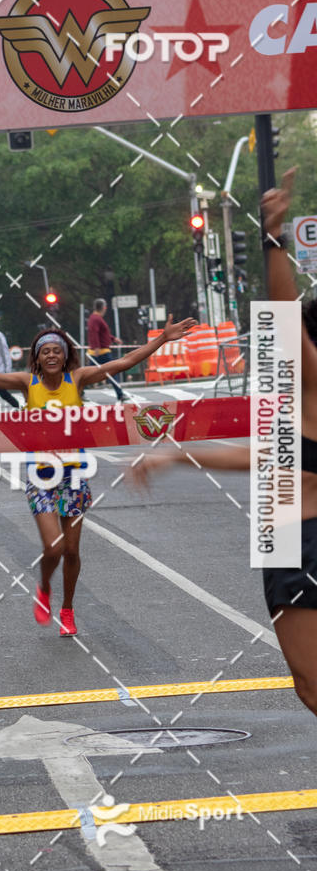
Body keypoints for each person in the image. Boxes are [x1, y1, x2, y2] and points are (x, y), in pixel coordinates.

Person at [132, 168, 317, 719]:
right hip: (284, 541)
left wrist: (273, 237)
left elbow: (284, 317)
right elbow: (261, 458)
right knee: (308, 686)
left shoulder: (312, 381)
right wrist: (175, 455)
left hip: (303, 544)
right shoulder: (300, 405)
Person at [0, 314, 195, 636]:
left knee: (72, 550)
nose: (52, 355)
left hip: (75, 476)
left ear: (65, 355)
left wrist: (162, 338)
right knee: (53, 548)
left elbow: (124, 362)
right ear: (37, 358)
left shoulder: (77, 379)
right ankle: (44, 587)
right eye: (45, 351)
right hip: (41, 477)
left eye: (57, 350)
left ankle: (67, 609)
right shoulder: (28, 383)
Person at [87, 298, 124, 400]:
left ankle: (79, 392)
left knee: (88, 374)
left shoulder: (95, 318)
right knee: (112, 371)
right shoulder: (96, 319)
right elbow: (94, 333)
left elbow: (103, 334)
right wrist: (96, 347)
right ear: (104, 308)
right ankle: (120, 394)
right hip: (101, 351)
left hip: (99, 351)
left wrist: (113, 339)